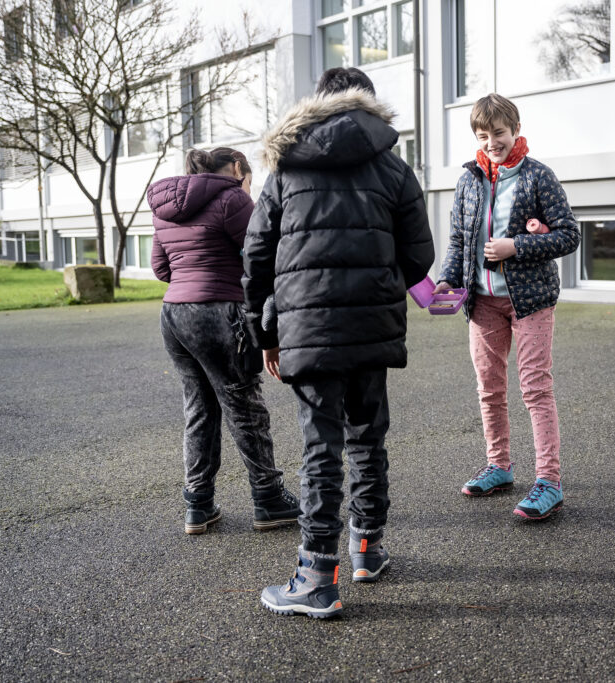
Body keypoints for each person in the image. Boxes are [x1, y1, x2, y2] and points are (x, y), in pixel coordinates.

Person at [242, 67, 434, 618]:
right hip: (372, 327)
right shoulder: (394, 167)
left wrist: (264, 332)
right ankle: (368, 550)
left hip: (307, 330)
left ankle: (314, 577)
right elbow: (418, 256)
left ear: (317, 104)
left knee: (320, 447)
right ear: (369, 106)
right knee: (368, 437)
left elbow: (256, 257)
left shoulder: (284, 168)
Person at [435, 93, 580, 521]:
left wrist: (516, 246)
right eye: (483, 135)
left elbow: (569, 236)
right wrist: (448, 277)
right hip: (481, 303)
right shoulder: (468, 180)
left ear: (514, 128)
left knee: (535, 388)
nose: (492, 142)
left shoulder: (538, 177)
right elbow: (459, 240)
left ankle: (548, 481)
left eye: (498, 133)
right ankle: (499, 466)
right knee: (489, 389)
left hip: (531, 301)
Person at [147, 147, 300, 535]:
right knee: (243, 403)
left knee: (199, 407)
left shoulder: (164, 205)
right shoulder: (233, 197)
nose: (250, 189)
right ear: (237, 169)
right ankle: (268, 499)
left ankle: (198, 505)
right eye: (249, 179)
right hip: (218, 313)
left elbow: (161, 268)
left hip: (174, 315)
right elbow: (262, 257)